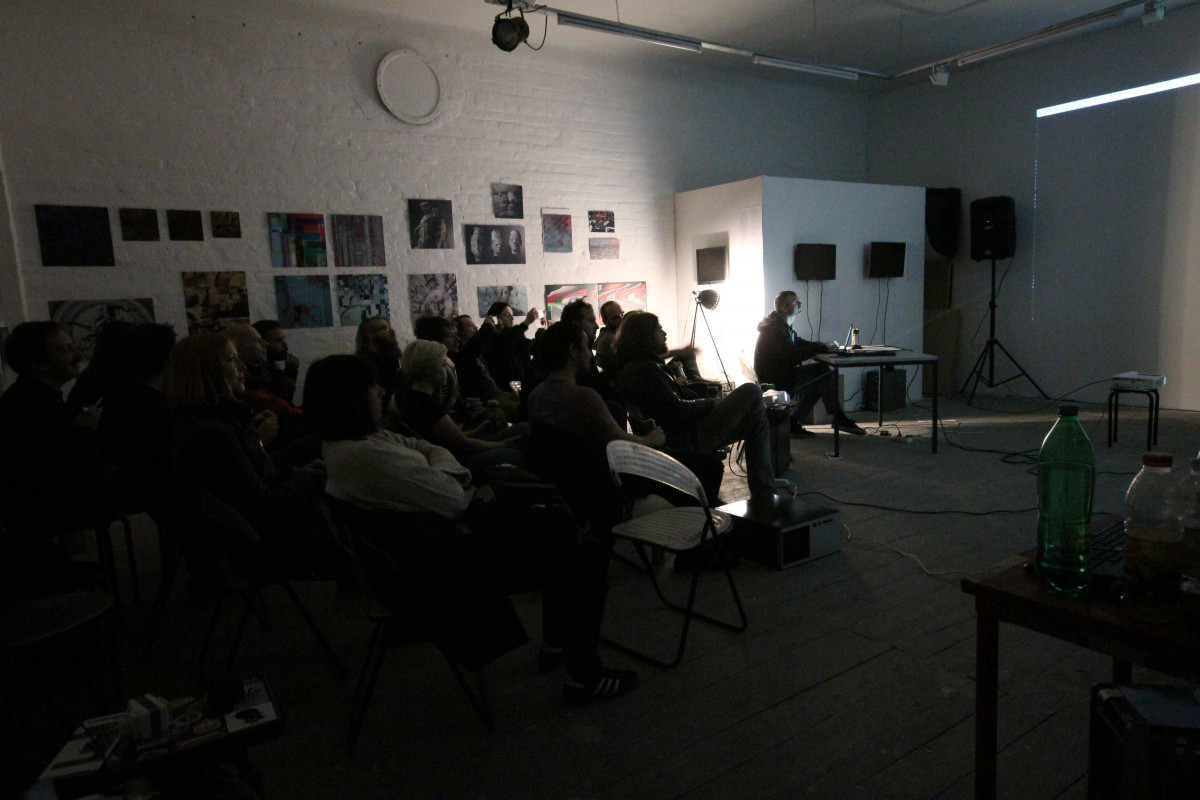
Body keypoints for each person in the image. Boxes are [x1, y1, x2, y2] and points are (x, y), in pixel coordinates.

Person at [303, 354, 638, 703]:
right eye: (371, 388)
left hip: (441, 547)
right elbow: (453, 495)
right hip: (447, 572)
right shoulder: (365, 456)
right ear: (352, 398)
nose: (380, 392)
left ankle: (558, 643)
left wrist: (442, 468)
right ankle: (583, 676)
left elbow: (429, 449)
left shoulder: (356, 443)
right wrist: (448, 472)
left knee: (559, 526)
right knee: (584, 550)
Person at [167, 333, 340, 581]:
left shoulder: (207, 421)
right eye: (231, 360)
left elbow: (254, 478)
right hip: (263, 546)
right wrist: (304, 479)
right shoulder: (213, 433)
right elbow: (262, 503)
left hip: (254, 532)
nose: (242, 367)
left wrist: (297, 474)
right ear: (207, 371)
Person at [614, 311, 778, 504]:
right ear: (646, 337)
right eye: (659, 329)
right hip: (688, 436)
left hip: (685, 431)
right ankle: (764, 492)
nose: (665, 333)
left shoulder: (639, 366)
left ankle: (765, 493)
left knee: (756, 422)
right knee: (751, 391)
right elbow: (677, 409)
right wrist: (710, 403)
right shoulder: (645, 371)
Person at [0, 322, 110, 598]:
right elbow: (55, 467)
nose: (76, 353)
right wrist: (85, 431)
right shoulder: (28, 408)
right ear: (38, 363)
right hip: (41, 511)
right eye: (65, 349)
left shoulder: (32, 399)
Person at [397, 339, 524, 473]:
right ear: (429, 368)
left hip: (451, 454)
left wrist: (475, 432)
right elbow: (463, 444)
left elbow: (449, 437)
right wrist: (502, 445)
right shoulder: (426, 404)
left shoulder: (413, 396)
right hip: (457, 461)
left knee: (523, 428)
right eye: (442, 364)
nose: (447, 370)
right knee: (518, 450)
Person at [754, 291, 865, 438]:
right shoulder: (776, 329)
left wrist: (821, 345)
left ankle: (795, 422)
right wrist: (820, 348)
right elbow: (793, 355)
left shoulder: (778, 324)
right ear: (785, 307)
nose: (800, 304)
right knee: (823, 373)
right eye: (795, 302)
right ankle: (838, 418)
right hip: (776, 381)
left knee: (821, 377)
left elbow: (796, 342)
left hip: (779, 375)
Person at [481, 302, 539, 392]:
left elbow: (528, 346)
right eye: (507, 315)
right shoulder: (490, 338)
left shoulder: (516, 335)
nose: (512, 318)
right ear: (496, 318)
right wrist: (526, 322)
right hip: (505, 389)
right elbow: (505, 342)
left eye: (512, 315)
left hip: (524, 385)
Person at [355, 315, 404, 403]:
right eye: (386, 329)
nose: (392, 332)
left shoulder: (393, 358)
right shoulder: (363, 365)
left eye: (389, 328)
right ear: (370, 335)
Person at [251, 319, 299, 405]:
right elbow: (282, 400)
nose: (285, 345)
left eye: (283, 340)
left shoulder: (270, 366)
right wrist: (290, 373)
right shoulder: (256, 371)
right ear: (262, 343)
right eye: (278, 341)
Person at [594, 300, 623, 375]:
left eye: (622, 314)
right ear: (605, 321)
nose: (622, 319)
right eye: (615, 318)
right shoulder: (609, 339)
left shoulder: (610, 336)